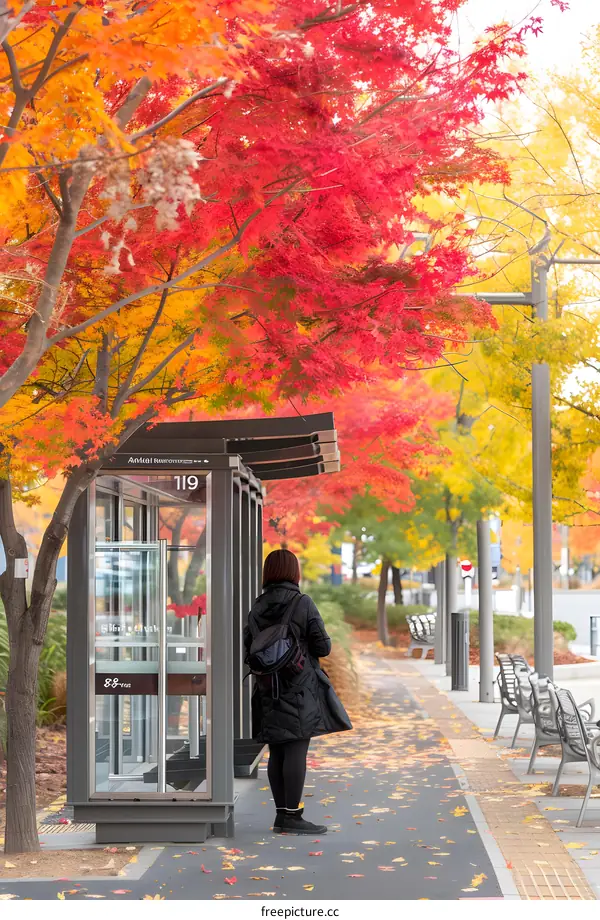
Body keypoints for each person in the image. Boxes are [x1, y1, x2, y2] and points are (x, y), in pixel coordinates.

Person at [244, 548, 352, 836]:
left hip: (267, 687)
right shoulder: (302, 603)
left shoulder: (257, 606)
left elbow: (248, 648)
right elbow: (323, 647)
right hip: (299, 687)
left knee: (277, 750)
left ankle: (282, 815)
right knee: (295, 750)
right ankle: (293, 816)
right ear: (294, 573)